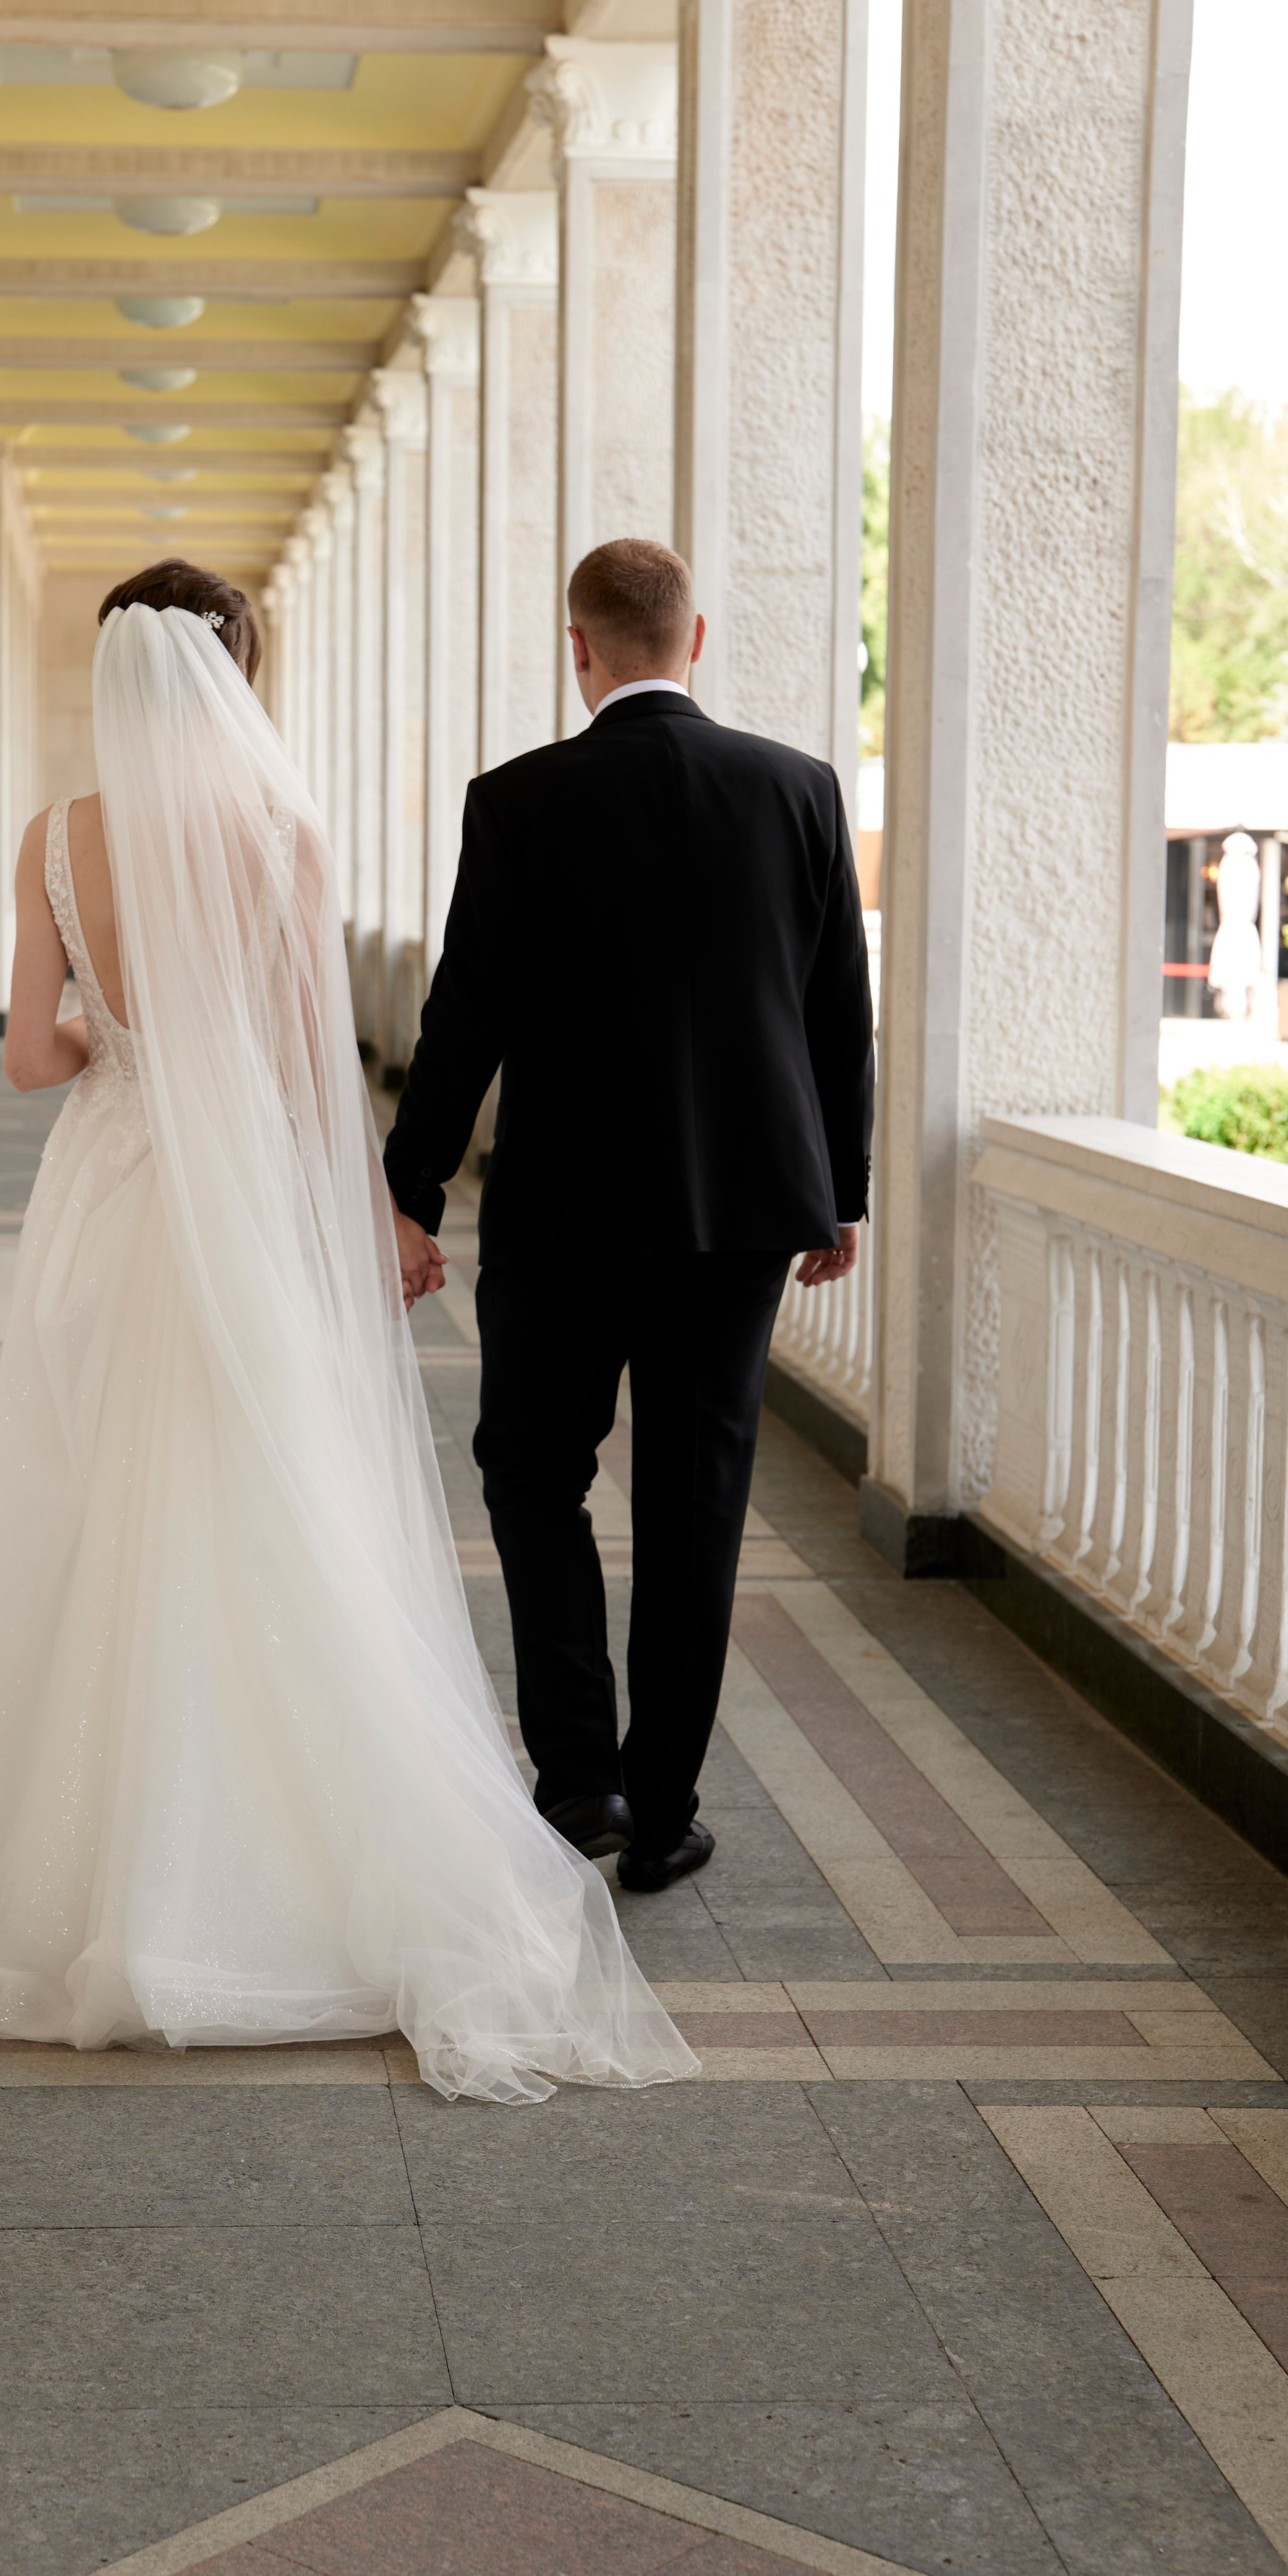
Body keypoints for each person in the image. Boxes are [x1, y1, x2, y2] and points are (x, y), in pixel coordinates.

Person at [0, 560, 694, 2105]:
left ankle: (91, 1865)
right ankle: (266, 1865)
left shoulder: (56, 839)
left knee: (99, 1494)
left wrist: (118, 1033)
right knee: (259, 1496)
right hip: (236, 1190)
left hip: (108, 1197)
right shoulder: (280, 835)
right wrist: (364, 1221)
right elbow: (319, 1076)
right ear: (239, 669)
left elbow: (27, 1061)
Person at [383, 538, 874, 1894]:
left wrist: (406, 1194)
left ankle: (580, 1780)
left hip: (563, 1215)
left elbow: (461, 1016)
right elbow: (840, 1014)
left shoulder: (520, 802)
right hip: (741, 1223)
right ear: (697, 636)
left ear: (577, 645)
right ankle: (664, 1813)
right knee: (698, 1495)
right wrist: (842, 1190)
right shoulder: (801, 791)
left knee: (534, 1474)